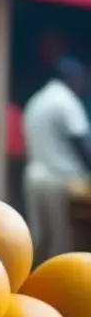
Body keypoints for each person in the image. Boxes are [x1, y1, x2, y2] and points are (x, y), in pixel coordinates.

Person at [23, 57, 91, 261]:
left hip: (35, 177)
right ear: (74, 77)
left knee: (40, 239)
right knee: (63, 243)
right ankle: (56, 291)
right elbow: (81, 143)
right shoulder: (66, 101)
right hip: (60, 180)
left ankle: (33, 286)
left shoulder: (37, 100)